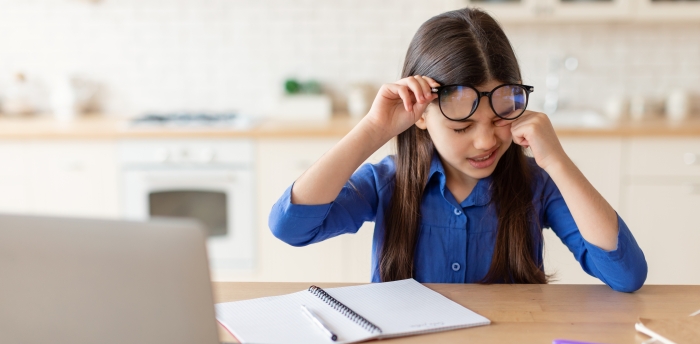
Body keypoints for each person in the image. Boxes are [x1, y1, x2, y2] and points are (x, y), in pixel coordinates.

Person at [268, 8, 647, 292]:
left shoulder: (537, 186)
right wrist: (373, 130)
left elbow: (625, 275)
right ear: (419, 116)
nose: (485, 142)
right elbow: (290, 228)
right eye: (462, 126)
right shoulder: (388, 182)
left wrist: (558, 162)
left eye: (499, 119)